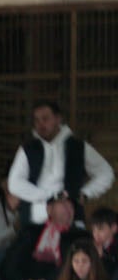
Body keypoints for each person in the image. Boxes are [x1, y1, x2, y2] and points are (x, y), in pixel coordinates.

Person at [8, 98, 114, 228]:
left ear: (58, 119)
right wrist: (49, 197)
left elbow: (105, 173)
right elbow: (14, 183)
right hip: (35, 219)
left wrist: (86, 193)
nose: (41, 124)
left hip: (71, 217)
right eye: (37, 120)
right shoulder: (27, 149)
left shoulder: (78, 147)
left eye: (45, 119)